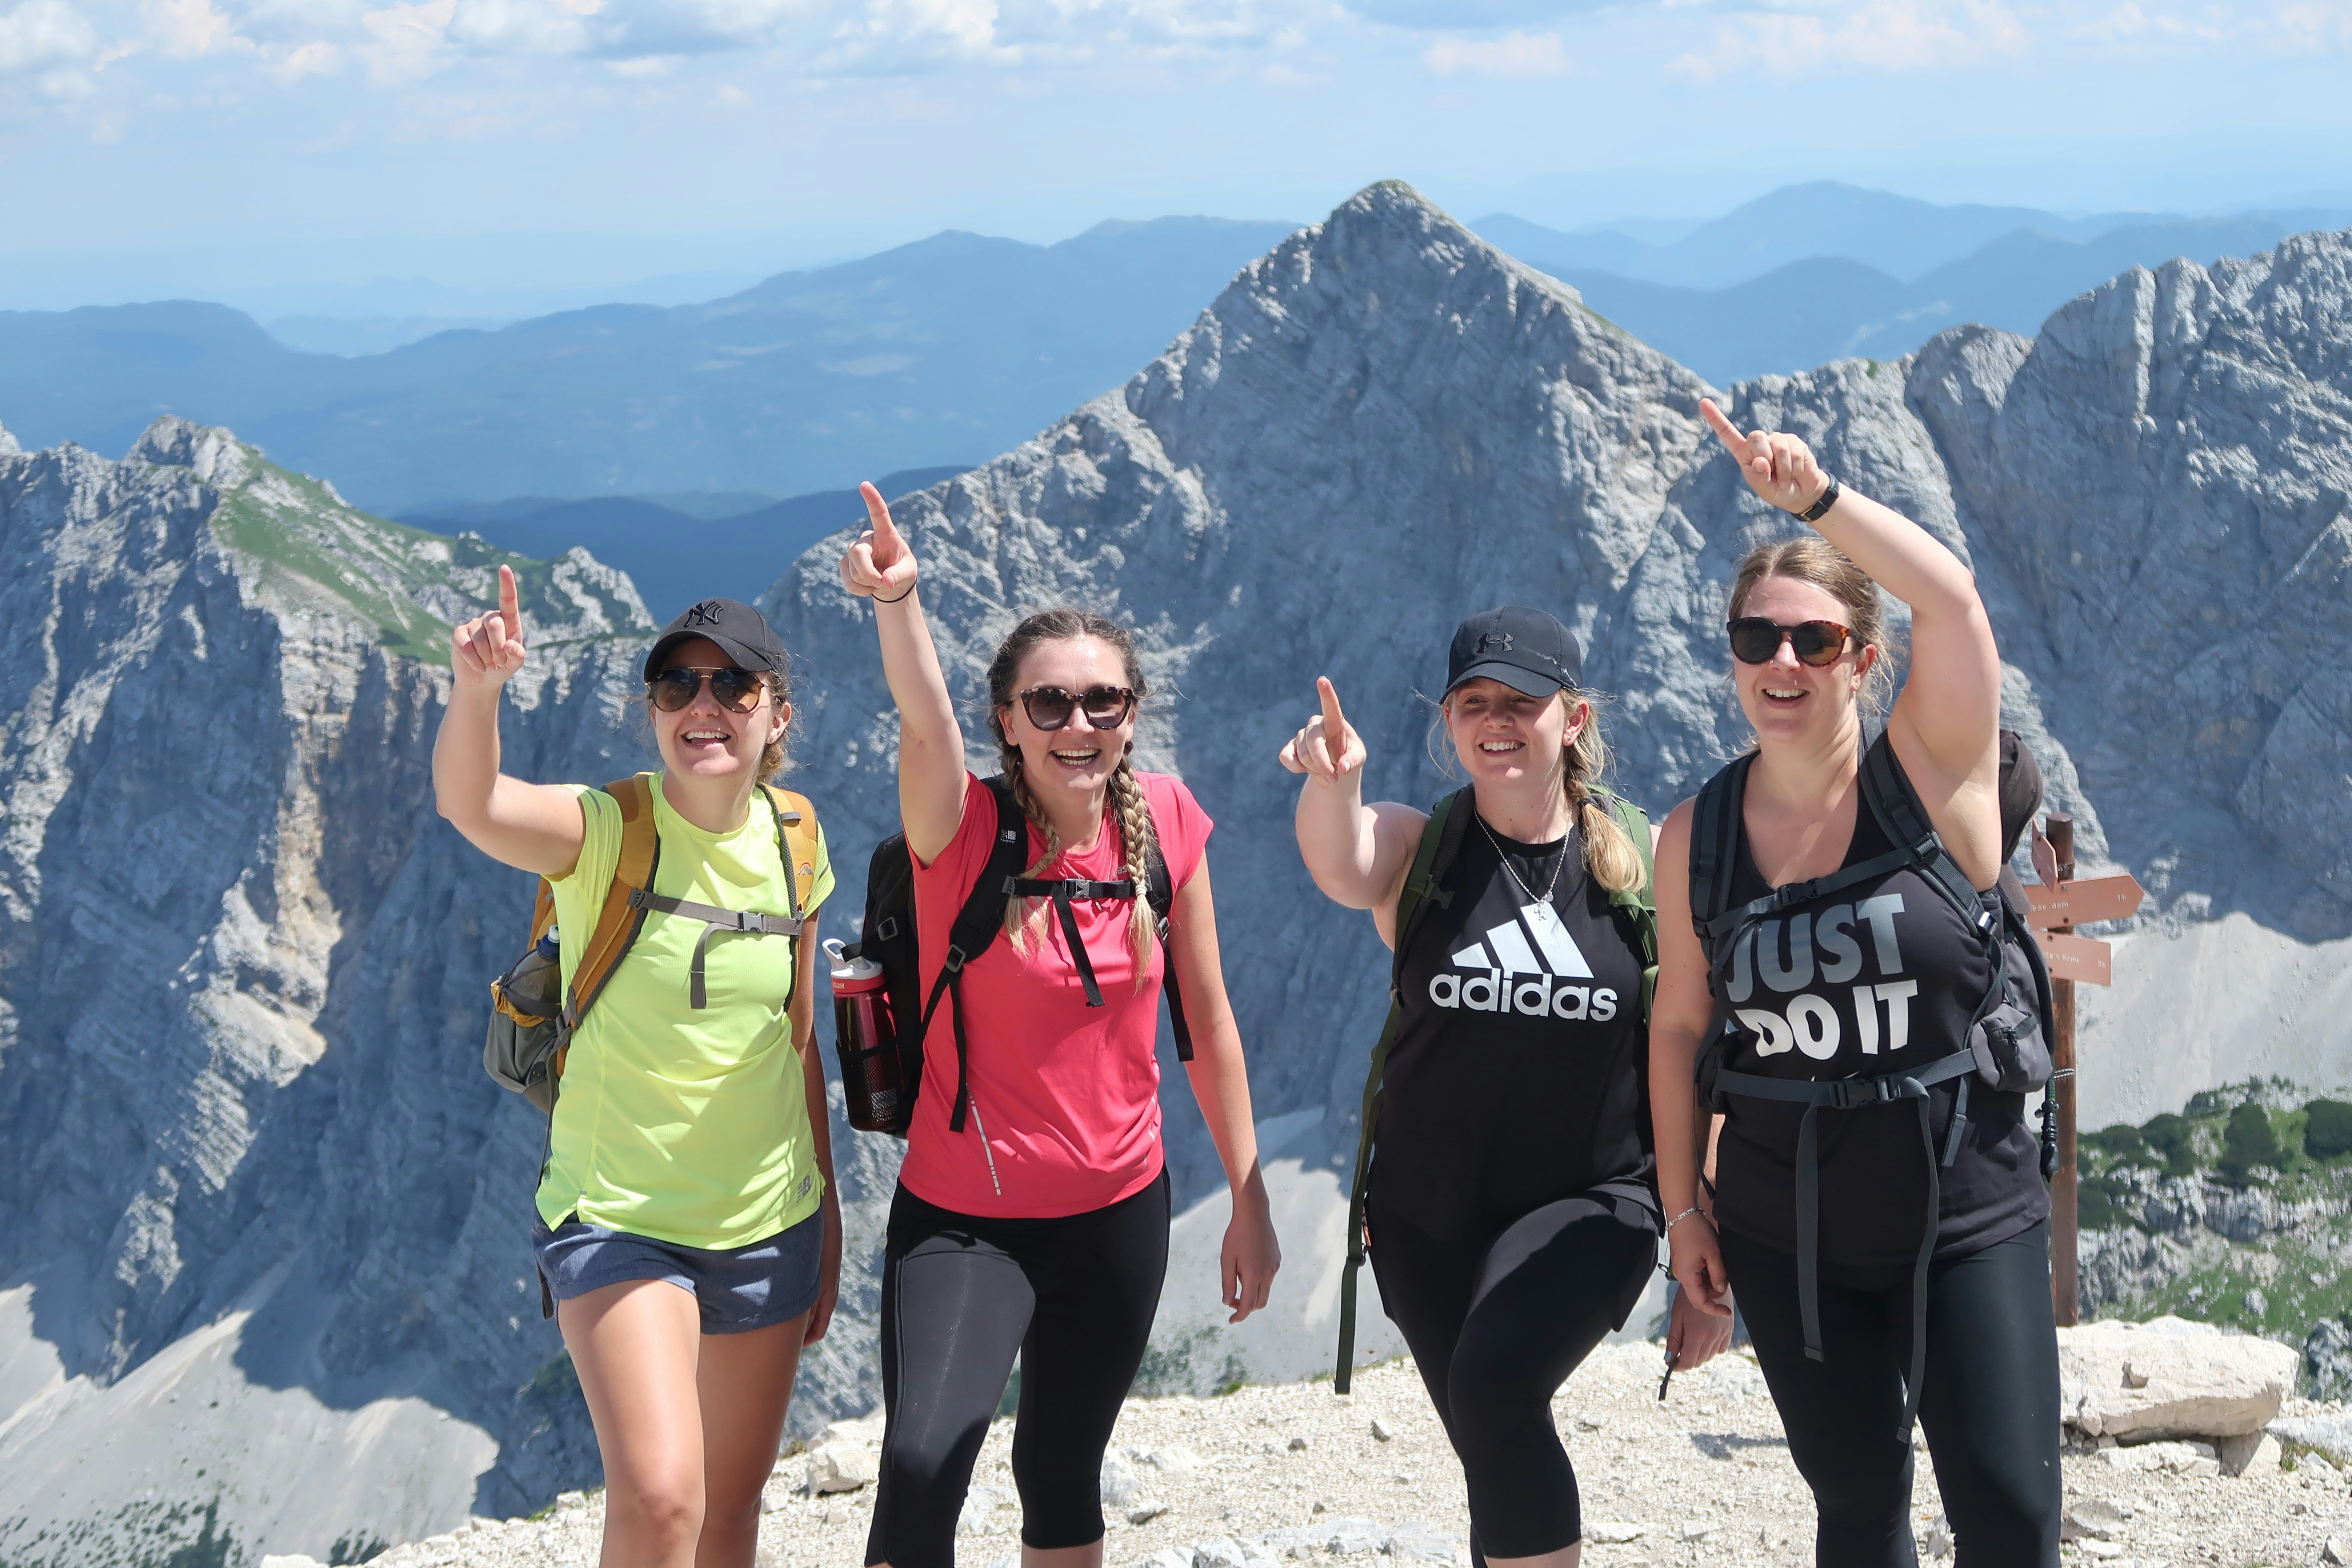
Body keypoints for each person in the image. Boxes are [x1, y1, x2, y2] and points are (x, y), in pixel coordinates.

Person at [837, 483, 1282, 1568]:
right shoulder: (963, 828)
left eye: (1103, 704)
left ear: (1132, 713)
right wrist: (901, 604)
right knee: (921, 1466)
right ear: (1008, 721)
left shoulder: (1169, 821)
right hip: (964, 1222)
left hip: (1119, 1215)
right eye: (1049, 706)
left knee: (1063, 1476)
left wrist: (1252, 1198)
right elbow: (924, 718)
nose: (1078, 727)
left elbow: (1208, 1021)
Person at [1649, 400, 2062, 1566]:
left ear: (1863, 658)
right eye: (1755, 640)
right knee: (1858, 1509)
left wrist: (1817, 500)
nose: (1782, 662)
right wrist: (1686, 1215)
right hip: (1788, 1230)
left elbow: (1956, 601)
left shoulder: (1933, 774)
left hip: (1964, 1211)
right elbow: (1679, 1029)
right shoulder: (1699, 837)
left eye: (1814, 640)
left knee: (2011, 1517)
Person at [1280, 606, 1732, 1568]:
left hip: (1594, 1205)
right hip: (1424, 1216)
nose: (1496, 719)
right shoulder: (1423, 850)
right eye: (1472, 702)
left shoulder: (1642, 868)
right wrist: (1336, 780)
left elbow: (1698, 1060)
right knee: (1495, 1444)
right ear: (1448, 723)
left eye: (1522, 702)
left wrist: (1702, 1223)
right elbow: (1340, 860)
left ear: (1572, 718)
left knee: (1494, 1393)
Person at [433, 575, 839, 1568]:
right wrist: (478, 690)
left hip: (767, 1220)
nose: (703, 706)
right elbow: (475, 806)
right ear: (654, 711)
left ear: (777, 713)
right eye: (676, 686)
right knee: (662, 1501)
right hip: (618, 1215)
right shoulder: (606, 831)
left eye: (733, 687)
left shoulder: (796, 838)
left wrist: (824, 1218)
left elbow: (797, 1037)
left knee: (731, 1514)